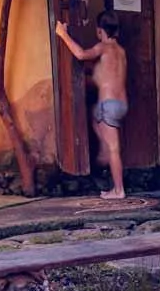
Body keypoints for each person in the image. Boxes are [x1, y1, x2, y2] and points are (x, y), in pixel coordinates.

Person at [54, 10, 128, 200]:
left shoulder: (103, 47)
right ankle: (103, 148)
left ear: (99, 31)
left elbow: (80, 54)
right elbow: (105, 76)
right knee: (94, 118)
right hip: (120, 105)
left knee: (113, 148)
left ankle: (119, 190)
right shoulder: (121, 52)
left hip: (109, 105)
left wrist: (63, 34)